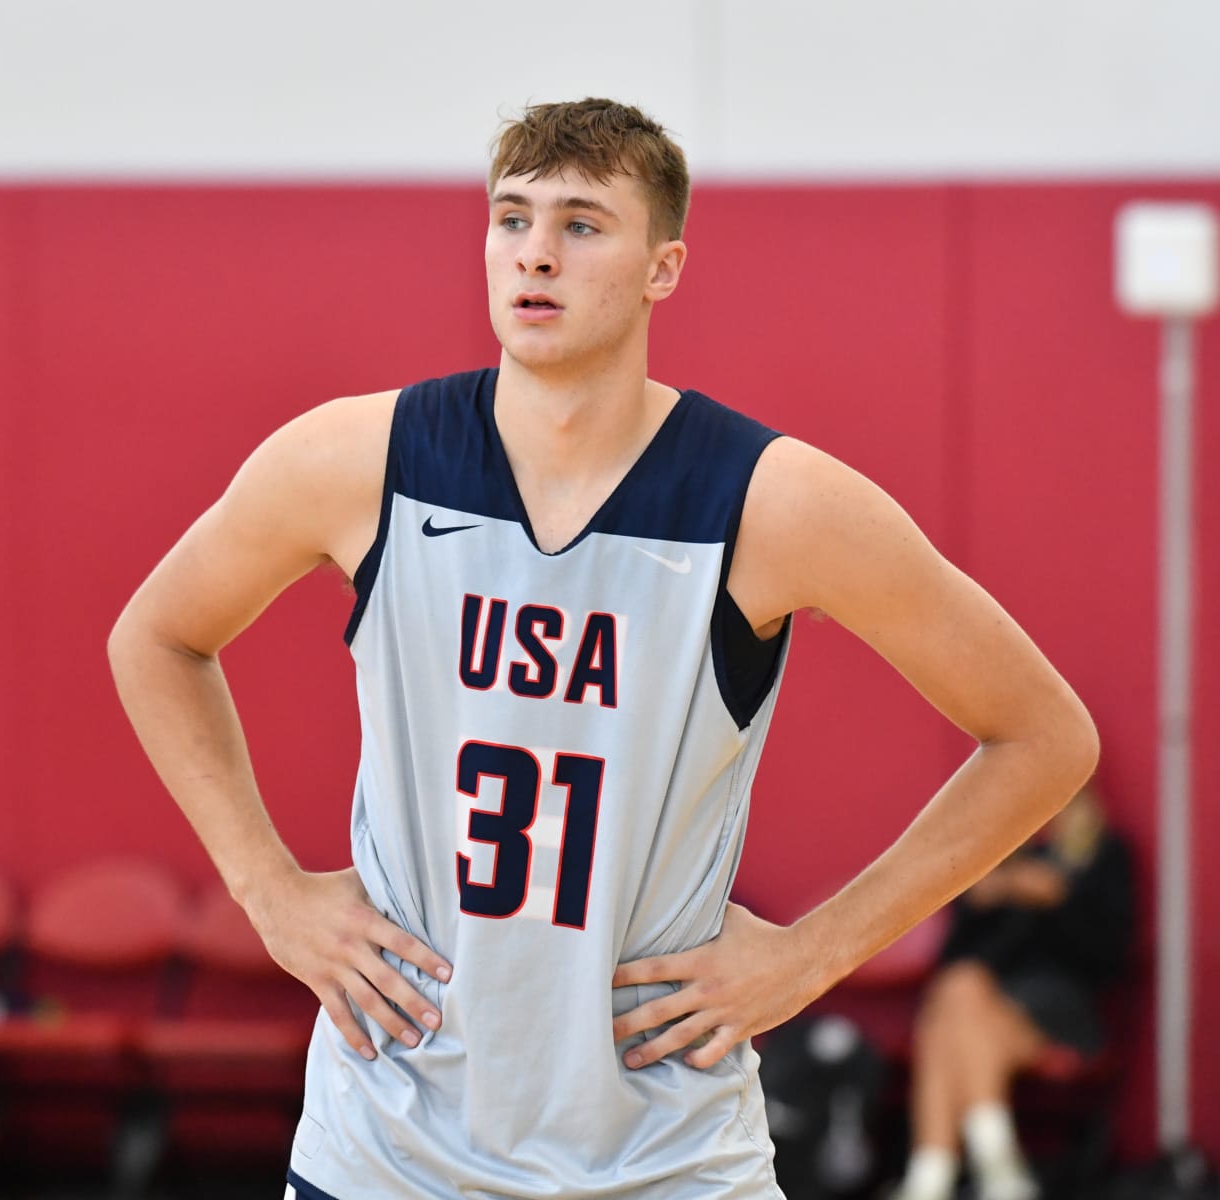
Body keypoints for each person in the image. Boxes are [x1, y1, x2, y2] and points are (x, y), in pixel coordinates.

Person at [107, 98, 1099, 1199]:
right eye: (511, 218)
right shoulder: (357, 460)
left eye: (582, 224)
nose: (536, 252)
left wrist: (811, 956)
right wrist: (269, 893)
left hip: (663, 1152)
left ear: (662, 267)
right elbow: (157, 638)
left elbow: (1044, 737)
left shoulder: (771, 503)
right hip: (387, 1145)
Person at [895, 783, 1134, 1200]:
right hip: (987, 1007)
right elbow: (956, 958)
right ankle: (999, 1172)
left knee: (947, 1021)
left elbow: (1108, 957)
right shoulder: (1000, 860)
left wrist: (1060, 899)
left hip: (1060, 1009)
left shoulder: (1104, 858)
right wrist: (995, 893)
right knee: (959, 998)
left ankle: (932, 1177)